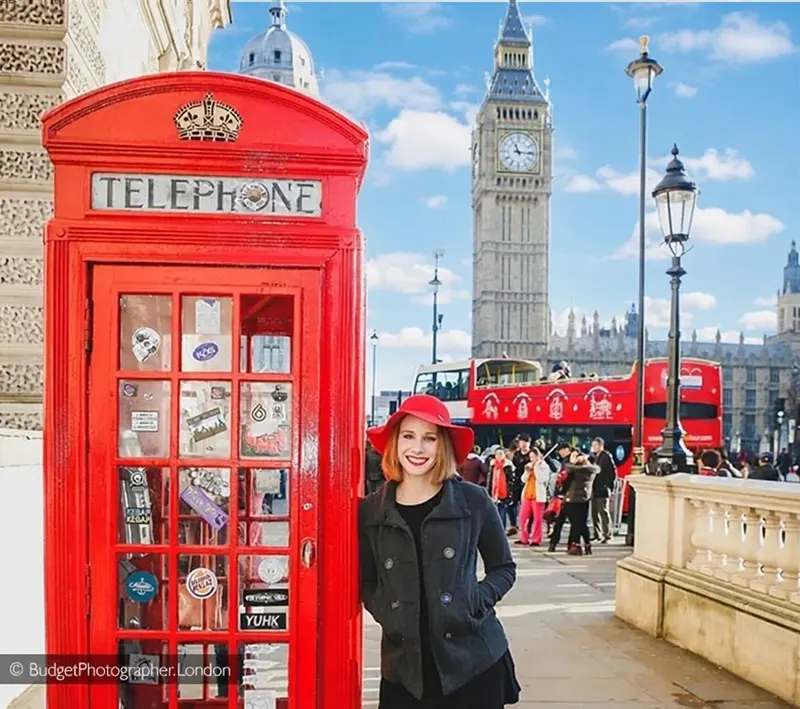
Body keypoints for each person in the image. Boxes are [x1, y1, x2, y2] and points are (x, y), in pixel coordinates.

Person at [359, 394, 521, 708]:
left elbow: (504, 568)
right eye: (408, 436)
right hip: (405, 668)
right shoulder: (371, 511)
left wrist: (475, 599)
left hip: (472, 663)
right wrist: (387, 612)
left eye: (429, 438)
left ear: (442, 444)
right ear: (394, 442)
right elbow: (366, 580)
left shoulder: (473, 500)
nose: (417, 448)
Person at [562, 452, 597, 556]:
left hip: (573, 499)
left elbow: (566, 484)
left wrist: (572, 463)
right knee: (582, 523)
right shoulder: (590, 471)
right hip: (584, 499)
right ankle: (587, 544)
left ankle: (576, 545)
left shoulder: (574, 472)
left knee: (576, 523)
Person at [517, 447, 549, 546]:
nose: (532, 459)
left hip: (538, 496)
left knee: (537, 519)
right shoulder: (528, 465)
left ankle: (536, 539)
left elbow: (541, 479)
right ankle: (524, 538)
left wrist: (536, 468)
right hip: (527, 494)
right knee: (522, 518)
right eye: (531, 457)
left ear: (538, 456)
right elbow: (523, 479)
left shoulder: (544, 467)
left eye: (534, 457)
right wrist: (527, 472)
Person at [589, 437, 616, 543]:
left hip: (602, 488)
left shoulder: (606, 456)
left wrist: (609, 486)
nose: (594, 447)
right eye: (593, 445)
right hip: (594, 488)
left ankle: (607, 534)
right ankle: (597, 534)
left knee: (603, 512)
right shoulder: (595, 457)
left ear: (601, 446)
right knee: (594, 513)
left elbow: (612, 473)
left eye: (596, 445)